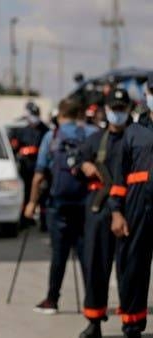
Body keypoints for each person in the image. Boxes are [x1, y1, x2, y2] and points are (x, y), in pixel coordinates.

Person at [25, 98, 95, 314]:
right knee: (86, 254)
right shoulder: (91, 134)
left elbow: (38, 176)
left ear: (61, 114)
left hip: (58, 206)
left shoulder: (52, 136)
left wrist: (32, 203)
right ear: (80, 114)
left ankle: (52, 300)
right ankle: (92, 302)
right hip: (85, 205)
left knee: (59, 255)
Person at [77, 88, 131, 338]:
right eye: (113, 109)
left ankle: (131, 322)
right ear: (106, 109)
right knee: (95, 265)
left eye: (121, 109)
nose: (117, 113)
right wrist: (84, 165)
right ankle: (94, 320)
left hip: (128, 208)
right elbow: (77, 160)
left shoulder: (136, 138)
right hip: (99, 207)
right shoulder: (95, 140)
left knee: (129, 269)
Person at [109, 73, 153, 338]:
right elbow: (119, 177)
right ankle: (133, 325)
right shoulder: (134, 132)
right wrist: (116, 211)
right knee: (134, 268)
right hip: (138, 208)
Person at [9, 102, 50, 228]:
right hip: (25, 167)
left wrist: (35, 150)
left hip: (39, 167)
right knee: (25, 193)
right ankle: (25, 219)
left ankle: (44, 221)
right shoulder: (20, 127)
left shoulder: (44, 129)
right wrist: (19, 148)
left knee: (42, 195)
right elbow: (13, 145)